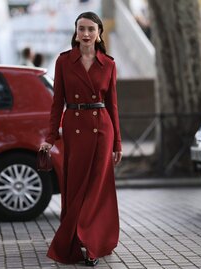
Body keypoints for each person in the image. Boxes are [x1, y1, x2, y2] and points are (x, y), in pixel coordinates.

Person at [40, 11, 123, 266]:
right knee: (76, 189)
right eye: (81, 29)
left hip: (101, 132)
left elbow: (113, 106)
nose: (85, 34)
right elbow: (56, 104)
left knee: (97, 190)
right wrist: (50, 137)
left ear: (99, 34)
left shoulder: (108, 64)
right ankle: (76, 241)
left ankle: (92, 244)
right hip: (75, 130)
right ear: (75, 32)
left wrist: (118, 143)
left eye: (91, 29)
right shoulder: (64, 61)